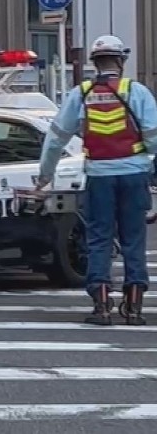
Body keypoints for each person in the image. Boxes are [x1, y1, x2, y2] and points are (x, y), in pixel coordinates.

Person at [37, 35, 157, 325]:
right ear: (121, 61)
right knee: (133, 240)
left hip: (99, 177)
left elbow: (55, 140)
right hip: (134, 175)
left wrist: (45, 175)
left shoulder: (81, 94)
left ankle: (102, 305)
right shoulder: (137, 91)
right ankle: (134, 307)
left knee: (99, 240)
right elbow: (154, 137)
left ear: (94, 62)